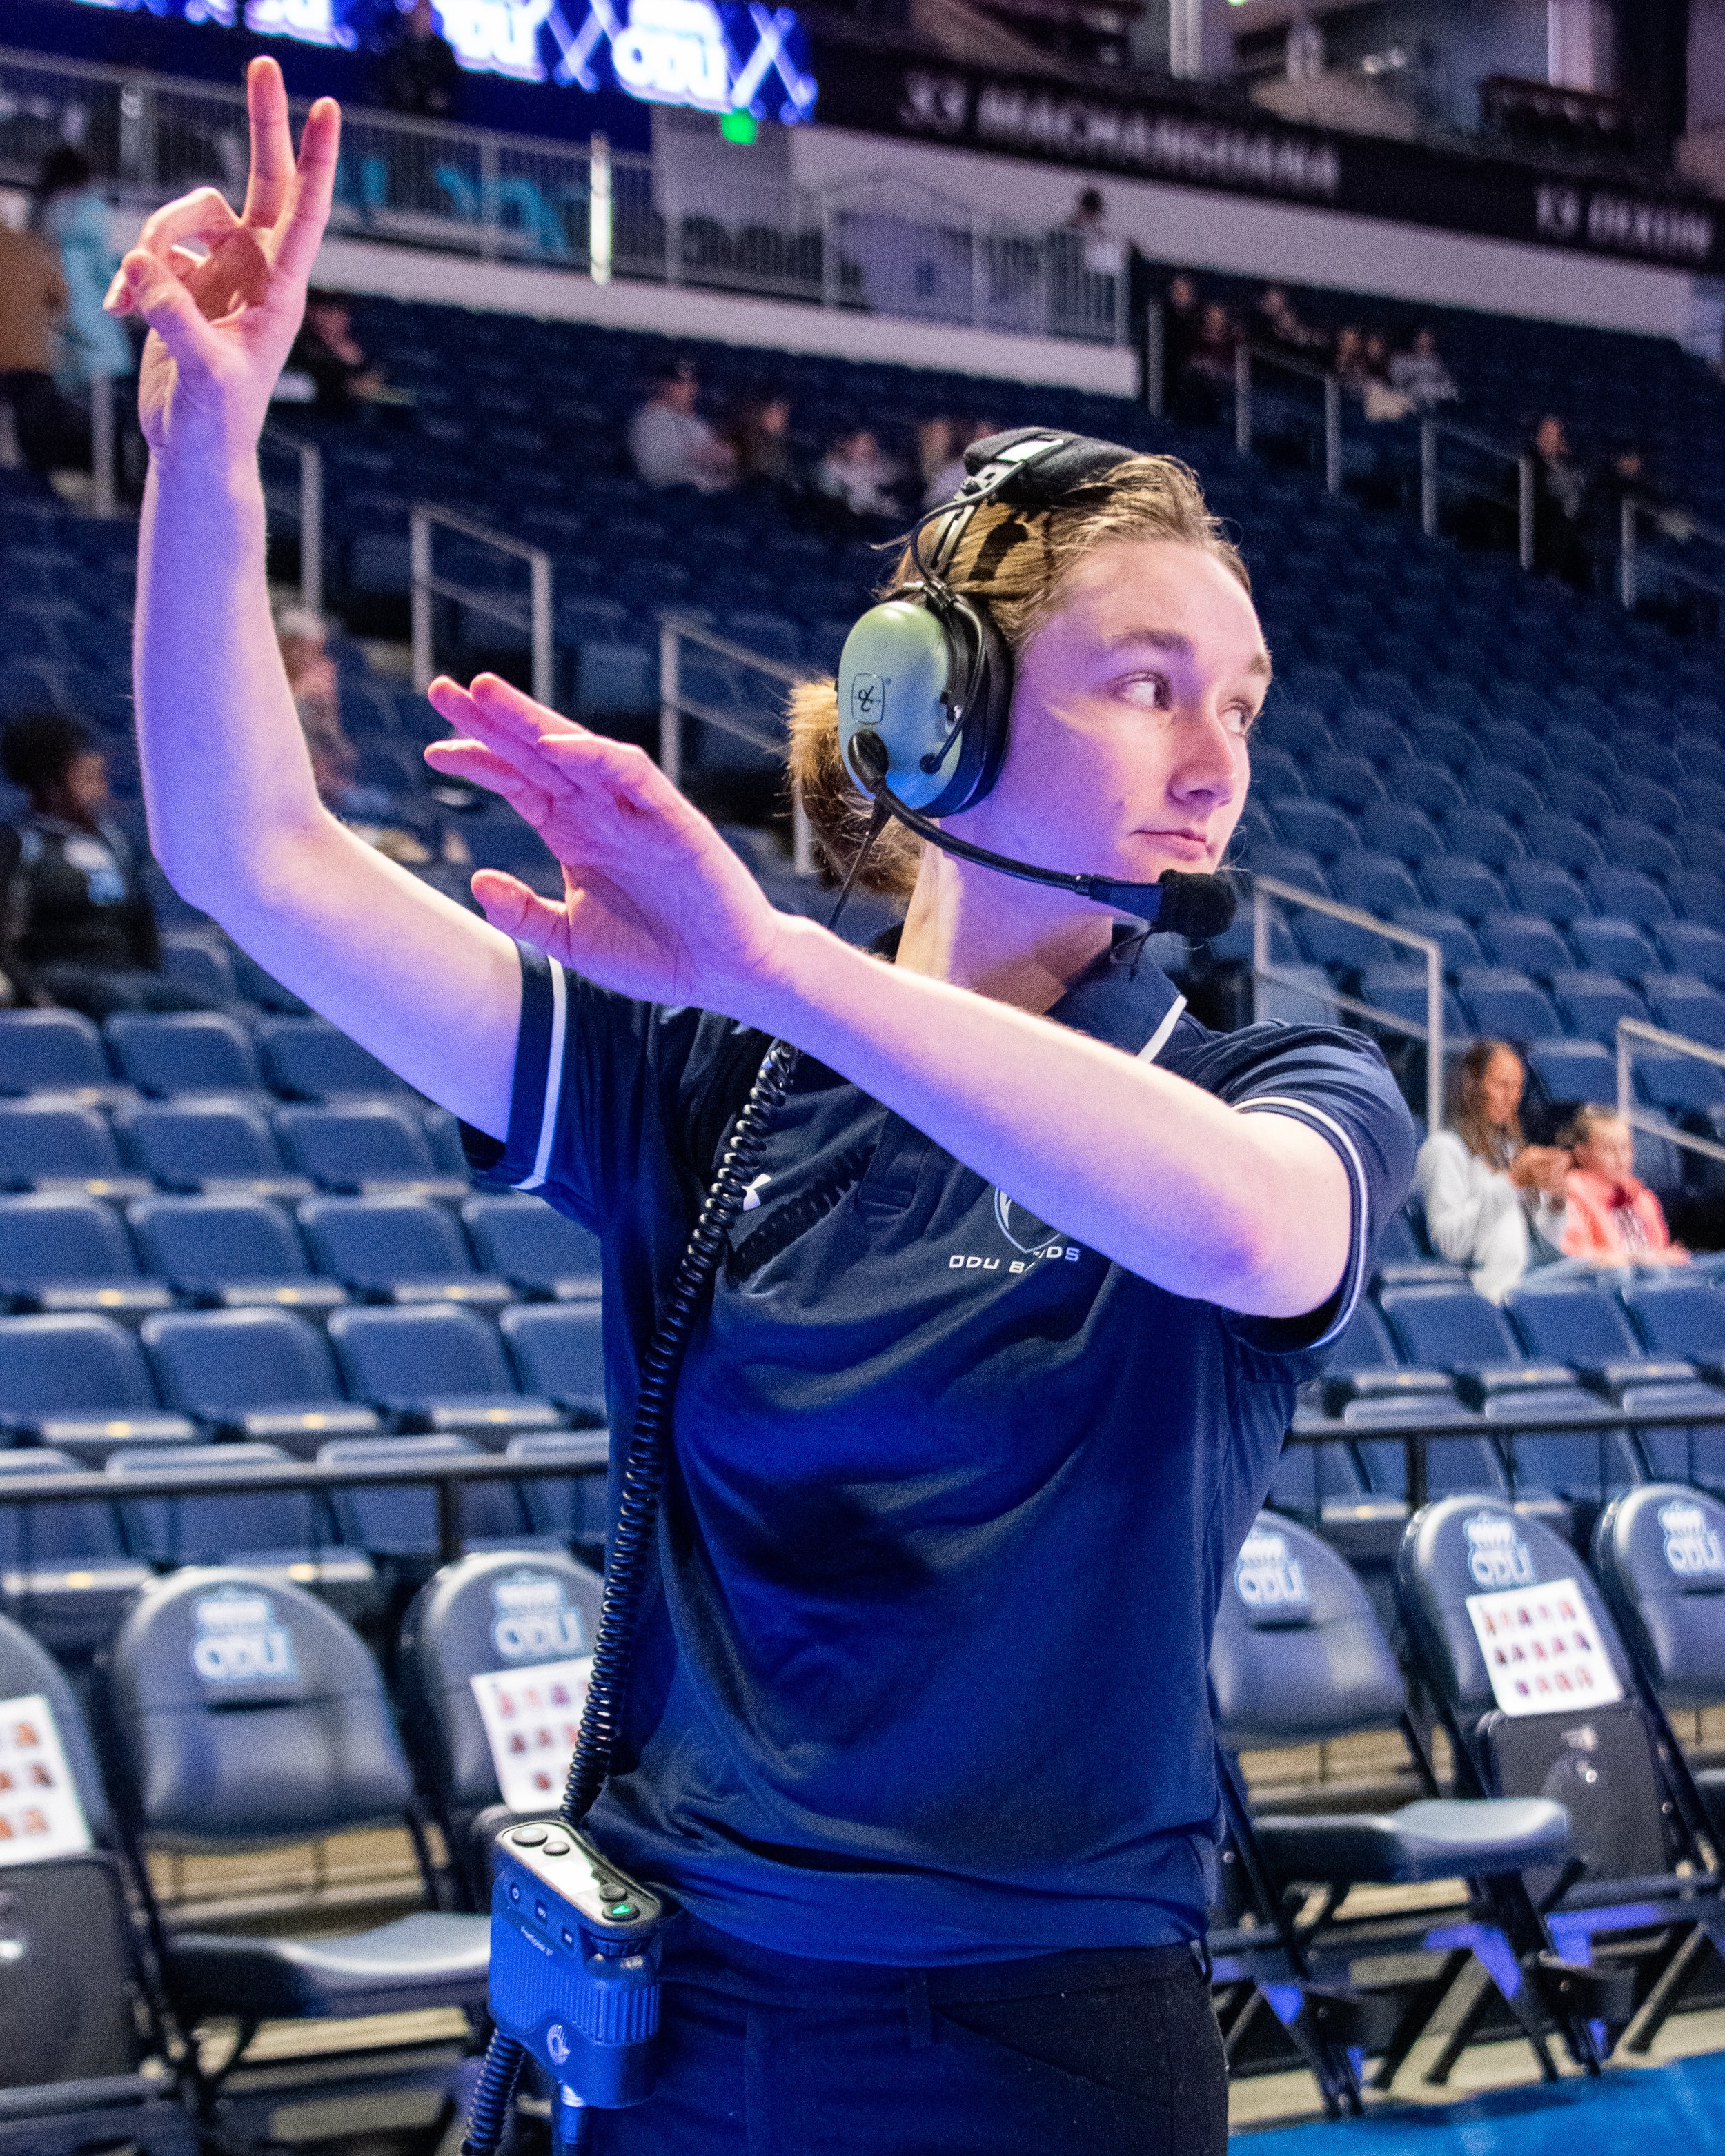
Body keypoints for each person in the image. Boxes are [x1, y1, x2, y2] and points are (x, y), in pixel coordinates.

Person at [112, 59, 1415, 2151]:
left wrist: (771, 965)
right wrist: (213, 446)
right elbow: (248, 853)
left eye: (1240, 704)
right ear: (929, 711)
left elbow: (1254, 1231)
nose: (1215, 762)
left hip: (1048, 2032)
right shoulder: (706, 1074)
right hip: (685, 2013)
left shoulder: (1270, 1079)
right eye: (1146, 683)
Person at [0, 713, 210, 1018]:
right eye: (88, 780)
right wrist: (32, 994)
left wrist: (150, 974)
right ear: (50, 785)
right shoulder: (20, 843)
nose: (101, 791)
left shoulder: (114, 841)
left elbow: (141, 921)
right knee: (124, 1001)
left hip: (127, 976)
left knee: (219, 1012)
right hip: (57, 974)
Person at [1416, 1040, 1570, 1303]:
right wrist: (1513, 1182)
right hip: (1497, 1286)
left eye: (1517, 1088)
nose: (1512, 1097)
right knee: (1613, 1275)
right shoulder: (1444, 1148)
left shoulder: (1509, 1150)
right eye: (1501, 1085)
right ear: (1471, 1084)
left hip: (1534, 1274)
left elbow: (1546, 1247)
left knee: (1614, 1274)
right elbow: (1451, 1246)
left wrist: (1557, 1204)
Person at [34, 148, 132, 401]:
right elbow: (105, 268)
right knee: (104, 403)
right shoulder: (91, 208)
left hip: (57, 321)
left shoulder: (42, 211)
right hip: (95, 319)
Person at [1560, 1106, 1688, 1268]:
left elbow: (1658, 1251)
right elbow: (1572, 1256)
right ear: (1582, 1154)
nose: (1621, 1158)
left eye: (1626, 1148)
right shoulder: (1570, 1197)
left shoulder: (1643, 1198)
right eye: (1609, 1150)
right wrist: (1635, 1259)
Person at [0, 215, 77, 477]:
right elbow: (61, 297)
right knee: (33, 441)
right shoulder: (31, 248)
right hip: (30, 361)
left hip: (12, 363)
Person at [628, 360, 736, 493]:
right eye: (678, 384)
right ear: (664, 386)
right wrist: (702, 457)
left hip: (712, 492)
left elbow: (724, 463)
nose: (686, 390)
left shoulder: (699, 423)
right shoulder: (653, 418)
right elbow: (655, 470)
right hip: (673, 494)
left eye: (690, 384)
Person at [288, 292, 385, 415]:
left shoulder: (356, 346)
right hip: (316, 412)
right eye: (334, 311)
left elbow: (378, 369)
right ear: (314, 312)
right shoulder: (301, 345)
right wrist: (348, 385)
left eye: (344, 311)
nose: (344, 318)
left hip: (352, 412)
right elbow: (310, 381)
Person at [1530, 414, 1591, 589]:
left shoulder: (1568, 461)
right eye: (1547, 432)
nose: (1552, 438)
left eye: (1556, 434)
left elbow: (1582, 484)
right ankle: (1552, 572)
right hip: (1541, 513)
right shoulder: (1529, 458)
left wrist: (1569, 460)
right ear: (1538, 435)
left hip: (1571, 515)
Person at [377, 0, 460, 118]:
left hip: (434, 119)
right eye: (419, 12)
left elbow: (453, 83)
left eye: (425, 12)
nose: (421, 16)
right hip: (400, 116)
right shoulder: (399, 46)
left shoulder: (443, 50)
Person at [814, 426, 899, 518]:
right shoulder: (833, 467)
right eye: (862, 445)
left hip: (882, 514)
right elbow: (831, 499)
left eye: (871, 445)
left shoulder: (879, 465)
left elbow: (891, 479)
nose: (868, 449)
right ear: (848, 445)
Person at [1388, 326, 1457, 411]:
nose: (1424, 343)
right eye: (1421, 339)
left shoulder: (1438, 363)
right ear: (1415, 340)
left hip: (1434, 403)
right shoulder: (1402, 360)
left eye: (1427, 339)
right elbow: (1396, 383)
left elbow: (1448, 385)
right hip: (1410, 402)